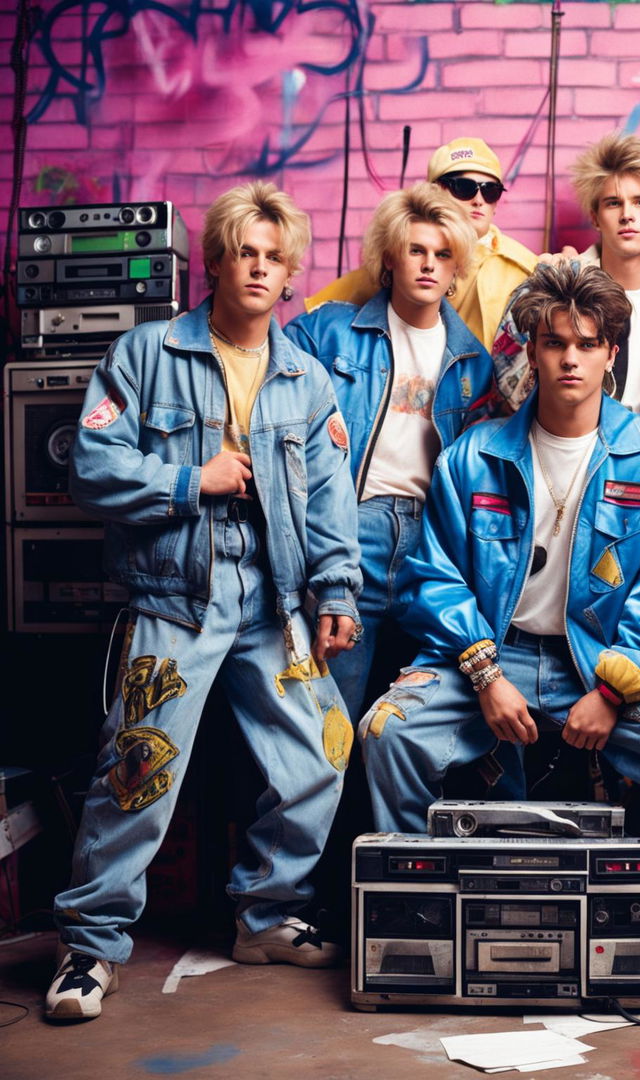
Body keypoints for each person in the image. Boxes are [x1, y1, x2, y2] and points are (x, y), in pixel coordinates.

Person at [358, 263, 640, 1009]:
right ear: (531, 351)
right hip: (491, 652)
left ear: (612, 350)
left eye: (588, 343)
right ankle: (413, 932)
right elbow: (433, 575)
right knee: (388, 732)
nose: (571, 359)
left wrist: (614, 693)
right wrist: (485, 675)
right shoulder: (473, 455)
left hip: (605, 665)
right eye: (555, 344)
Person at [46, 182, 363, 1022]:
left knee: (323, 754)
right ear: (214, 262)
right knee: (138, 770)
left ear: (290, 274)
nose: (258, 267)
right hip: (176, 593)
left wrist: (334, 590)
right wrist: (193, 480)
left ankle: (264, 914)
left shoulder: (306, 378)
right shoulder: (146, 354)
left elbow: (331, 500)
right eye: (243, 252)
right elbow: (90, 465)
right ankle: (90, 947)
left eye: (274, 256)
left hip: (278, 596)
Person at [285, 182, 494, 722]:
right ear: (390, 258)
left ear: (456, 268)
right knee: (330, 718)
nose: (429, 265)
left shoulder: (473, 361)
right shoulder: (328, 332)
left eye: (443, 254)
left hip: (434, 544)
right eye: (416, 251)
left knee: (423, 718)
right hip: (354, 531)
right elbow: (267, 405)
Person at [493, 133, 640, 457]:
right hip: (556, 458)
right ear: (595, 216)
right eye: (613, 203)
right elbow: (505, 391)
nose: (627, 215)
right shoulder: (550, 285)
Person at [305, 138, 536, 353]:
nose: (478, 200)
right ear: (433, 191)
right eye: (464, 188)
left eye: (490, 191)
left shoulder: (523, 266)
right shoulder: (398, 251)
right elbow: (318, 320)